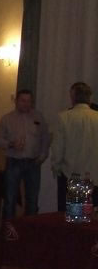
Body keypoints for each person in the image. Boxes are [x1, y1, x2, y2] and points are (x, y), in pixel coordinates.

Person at [0, 89, 50, 220]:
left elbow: (45, 137)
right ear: (16, 101)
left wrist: (43, 154)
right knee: (10, 198)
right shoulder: (7, 119)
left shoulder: (38, 117)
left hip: (33, 162)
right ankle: (9, 229)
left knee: (32, 199)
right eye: (23, 101)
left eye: (29, 101)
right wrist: (11, 144)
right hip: (14, 161)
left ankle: (29, 229)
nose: (26, 104)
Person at [51, 82, 98, 211]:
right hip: (95, 176)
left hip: (72, 174)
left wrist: (56, 167)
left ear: (72, 97)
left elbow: (58, 147)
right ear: (90, 97)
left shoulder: (64, 117)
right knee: (93, 217)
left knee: (75, 216)